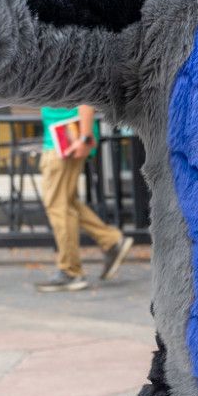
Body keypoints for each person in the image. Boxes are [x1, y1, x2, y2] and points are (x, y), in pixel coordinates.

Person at [36, 102, 130, 292]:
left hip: (64, 139)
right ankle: (111, 241)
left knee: (58, 206)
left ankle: (70, 271)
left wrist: (85, 136)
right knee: (66, 202)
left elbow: (85, 97)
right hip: (63, 137)